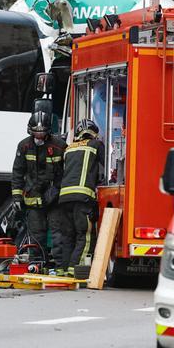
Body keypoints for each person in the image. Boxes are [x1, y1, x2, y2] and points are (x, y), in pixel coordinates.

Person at [10, 110, 66, 266]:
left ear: (48, 131)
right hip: (33, 199)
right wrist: (16, 198)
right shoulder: (24, 146)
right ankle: (38, 263)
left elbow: (66, 172)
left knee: (57, 233)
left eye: (41, 133)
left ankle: (60, 265)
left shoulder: (59, 146)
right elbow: (17, 173)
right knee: (36, 234)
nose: (38, 136)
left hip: (55, 199)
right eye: (35, 132)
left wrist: (56, 191)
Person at [55, 118, 104, 275]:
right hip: (83, 197)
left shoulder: (68, 148)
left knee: (68, 235)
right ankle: (74, 269)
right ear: (93, 133)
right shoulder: (95, 145)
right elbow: (107, 164)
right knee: (85, 235)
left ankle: (62, 269)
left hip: (64, 198)